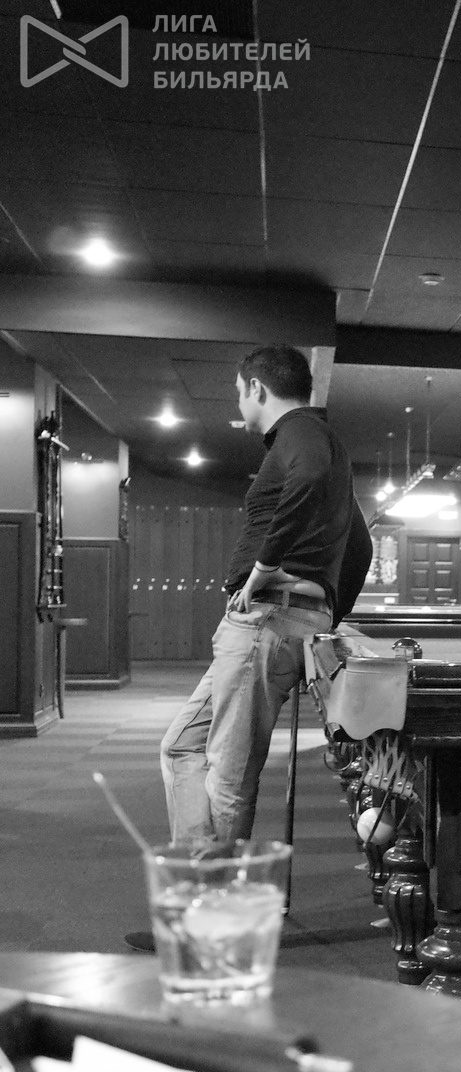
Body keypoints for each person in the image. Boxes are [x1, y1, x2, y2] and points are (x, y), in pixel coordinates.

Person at [134, 346, 369, 950]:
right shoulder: (316, 440)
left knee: (228, 774)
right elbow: (361, 545)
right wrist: (325, 610)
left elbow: (308, 480)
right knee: (182, 746)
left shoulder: (301, 434)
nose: (239, 405)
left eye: (240, 393)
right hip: (276, 621)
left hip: (266, 621)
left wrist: (267, 570)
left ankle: (213, 924)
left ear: (257, 388)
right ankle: (201, 892)